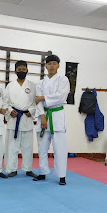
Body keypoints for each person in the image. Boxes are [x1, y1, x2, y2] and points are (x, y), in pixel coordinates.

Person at [34, 55, 70, 185]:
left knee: (59, 147)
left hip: (57, 115)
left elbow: (61, 97)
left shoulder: (63, 80)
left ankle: (62, 176)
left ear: (58, 65)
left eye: (54, 63)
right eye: (49, 64)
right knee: (42, 147)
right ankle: (42, 173)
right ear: (46, 66)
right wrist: (42, 117)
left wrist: (43, 97)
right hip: (43, 116)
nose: (52, 66)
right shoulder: (41, 83)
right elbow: (37, 101)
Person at [3, 60, 38, 178]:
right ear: (15, 71)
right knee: (12, 146)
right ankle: (12, 169)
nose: (21, 71)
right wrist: (9, 110)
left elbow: (35, 102)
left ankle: (28, 169)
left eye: (23, 70)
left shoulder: (33, 85)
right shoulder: (10, 86)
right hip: (14, 118)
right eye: (19, 70)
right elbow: (5, 102)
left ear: (27, 71)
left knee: (27, 146)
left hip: (27, 118)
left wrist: (31, 111)